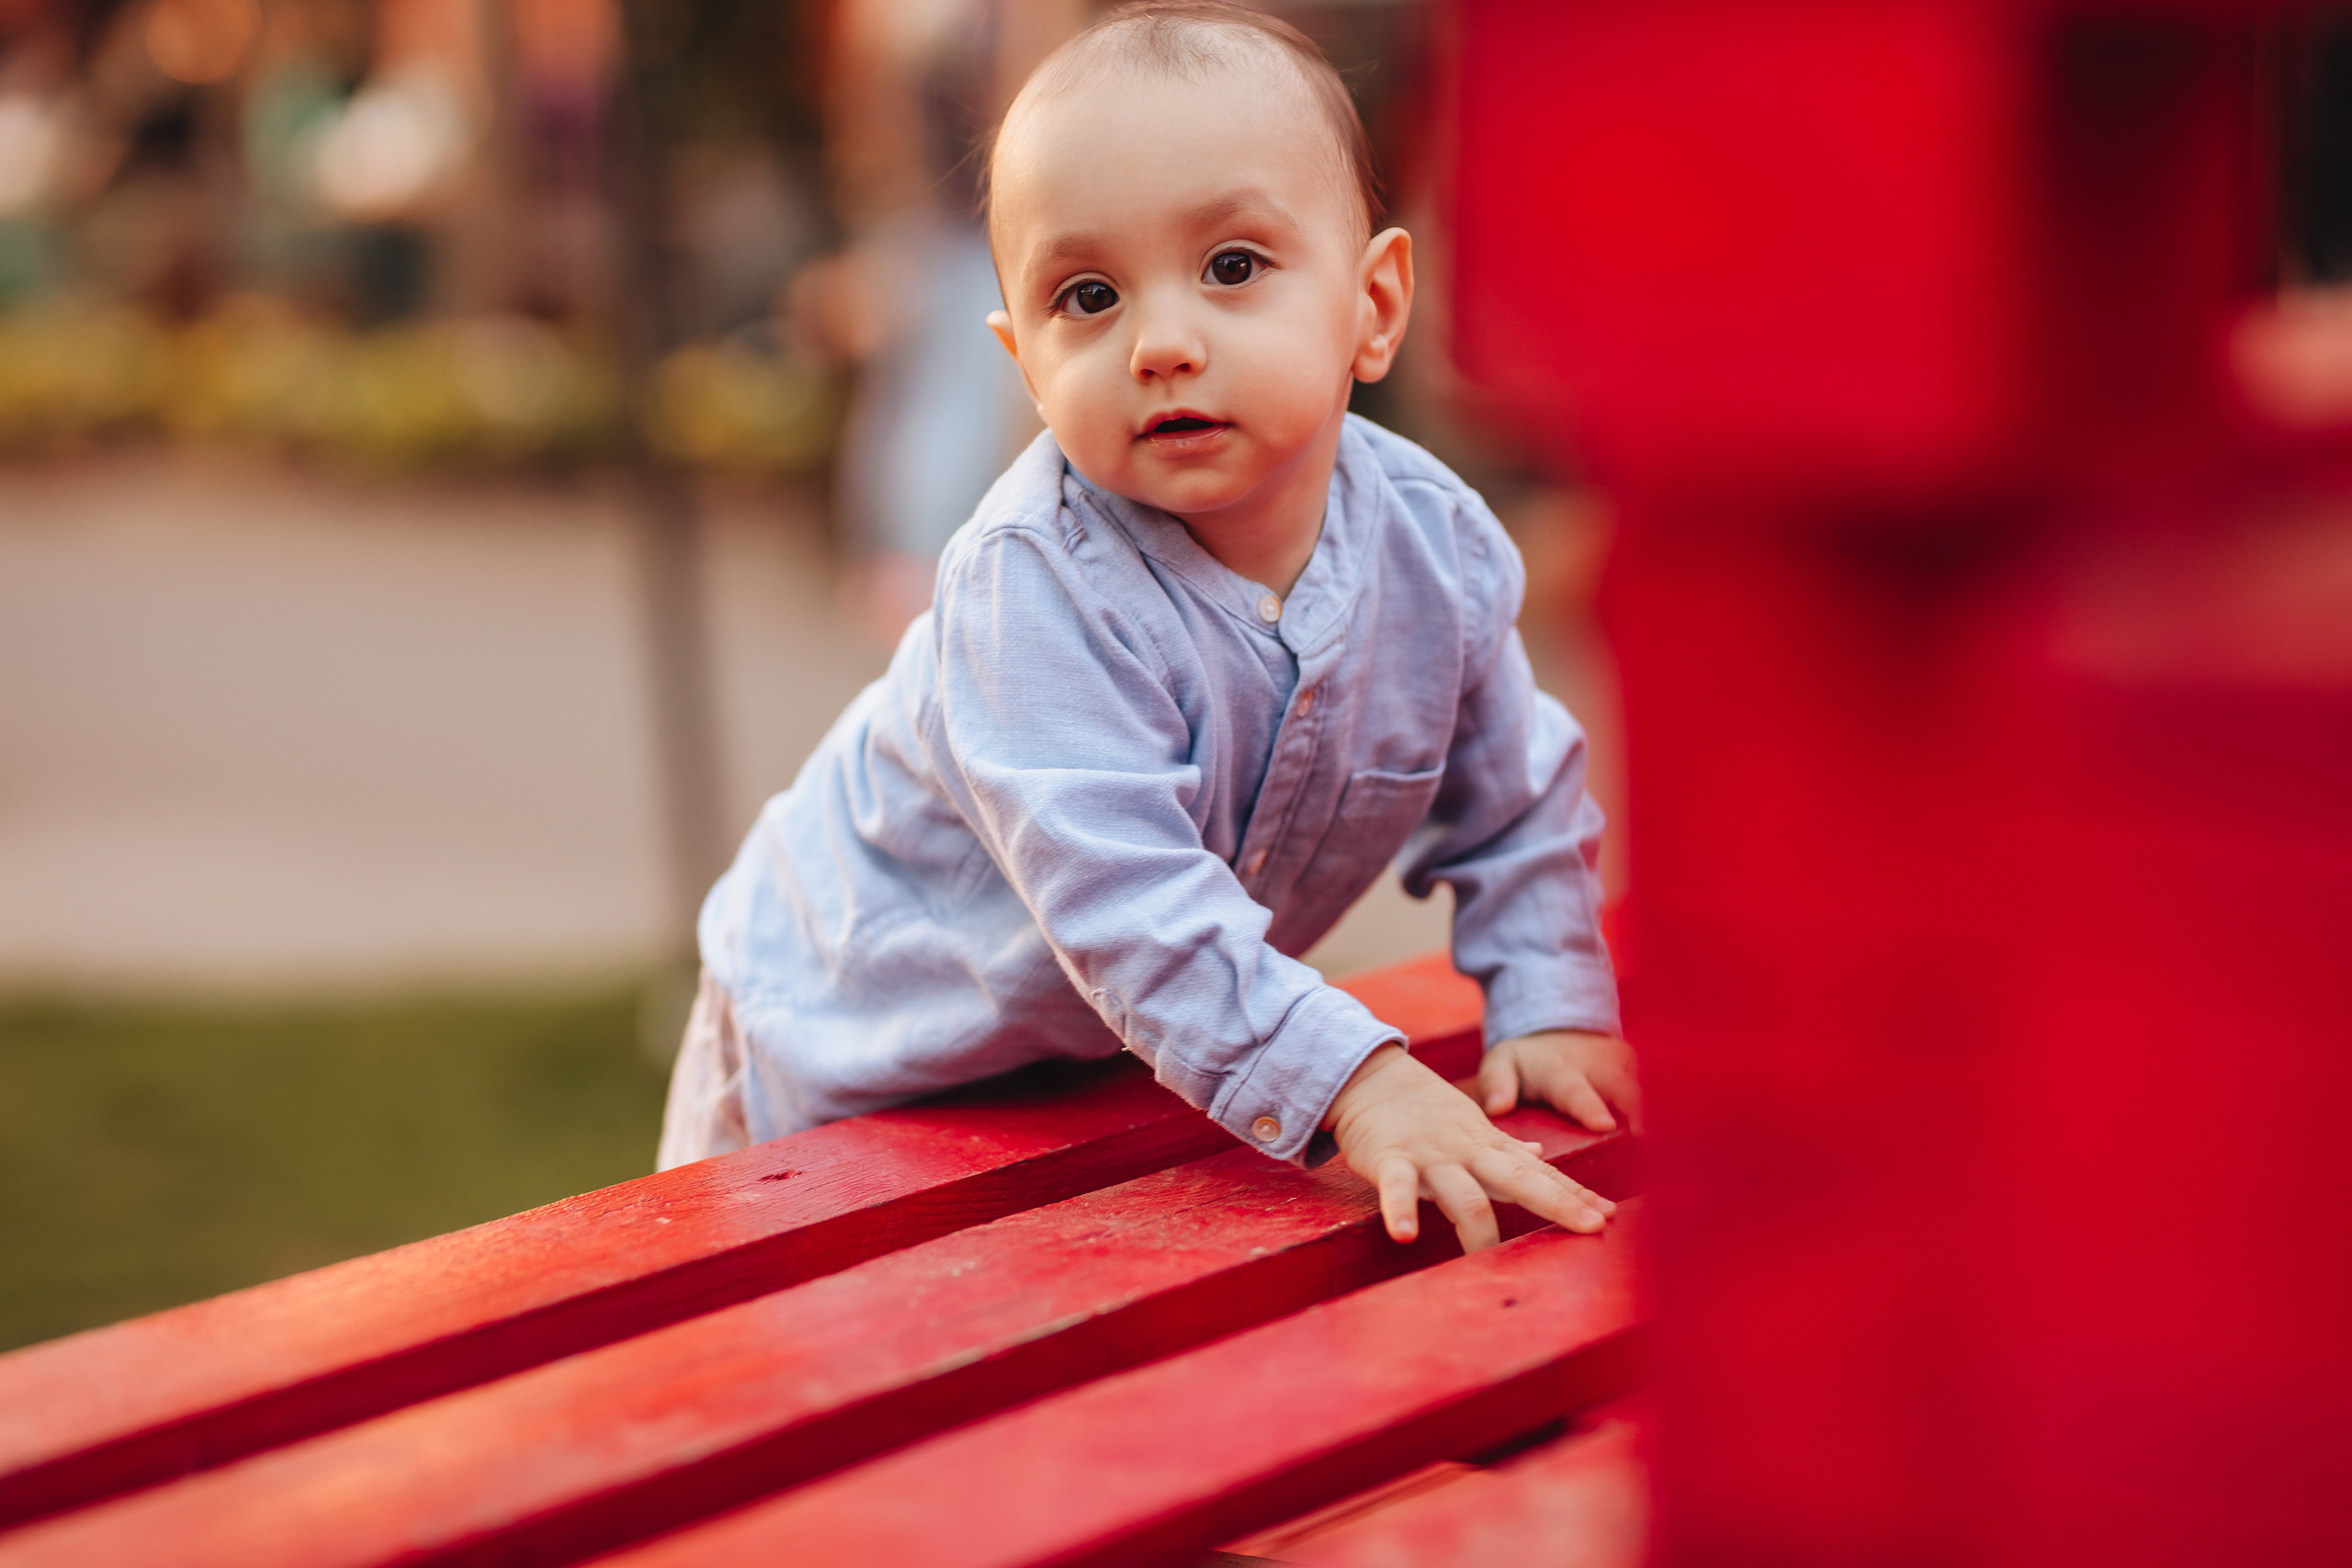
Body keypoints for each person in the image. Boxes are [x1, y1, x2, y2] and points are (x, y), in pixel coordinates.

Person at [661, 0, 1637, 1255]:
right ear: (1024, 363)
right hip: (846, 1045)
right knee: (798, 1370)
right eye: (1088, 296)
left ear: (1374, 304)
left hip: (1084, 1061)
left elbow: (1515, 797)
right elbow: (1135, 908)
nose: (1163, 345)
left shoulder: (1432, 550)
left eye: (1232, 267)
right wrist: (1362, 1084)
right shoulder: (1033, 588)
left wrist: (1549, 996)